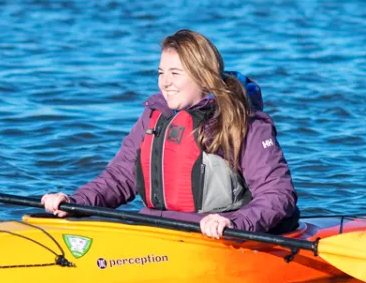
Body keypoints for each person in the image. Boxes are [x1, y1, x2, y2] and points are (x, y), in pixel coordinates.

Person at [41, 29, 298, 239]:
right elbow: (120, 177)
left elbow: (278, 193)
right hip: (157, 231)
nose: (165, 83)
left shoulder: (245, 123)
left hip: (216, 237)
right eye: (161, 73)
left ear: (203, 77)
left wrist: (235, 222)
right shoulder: (155, 116)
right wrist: (75, 201)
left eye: (175, 73)